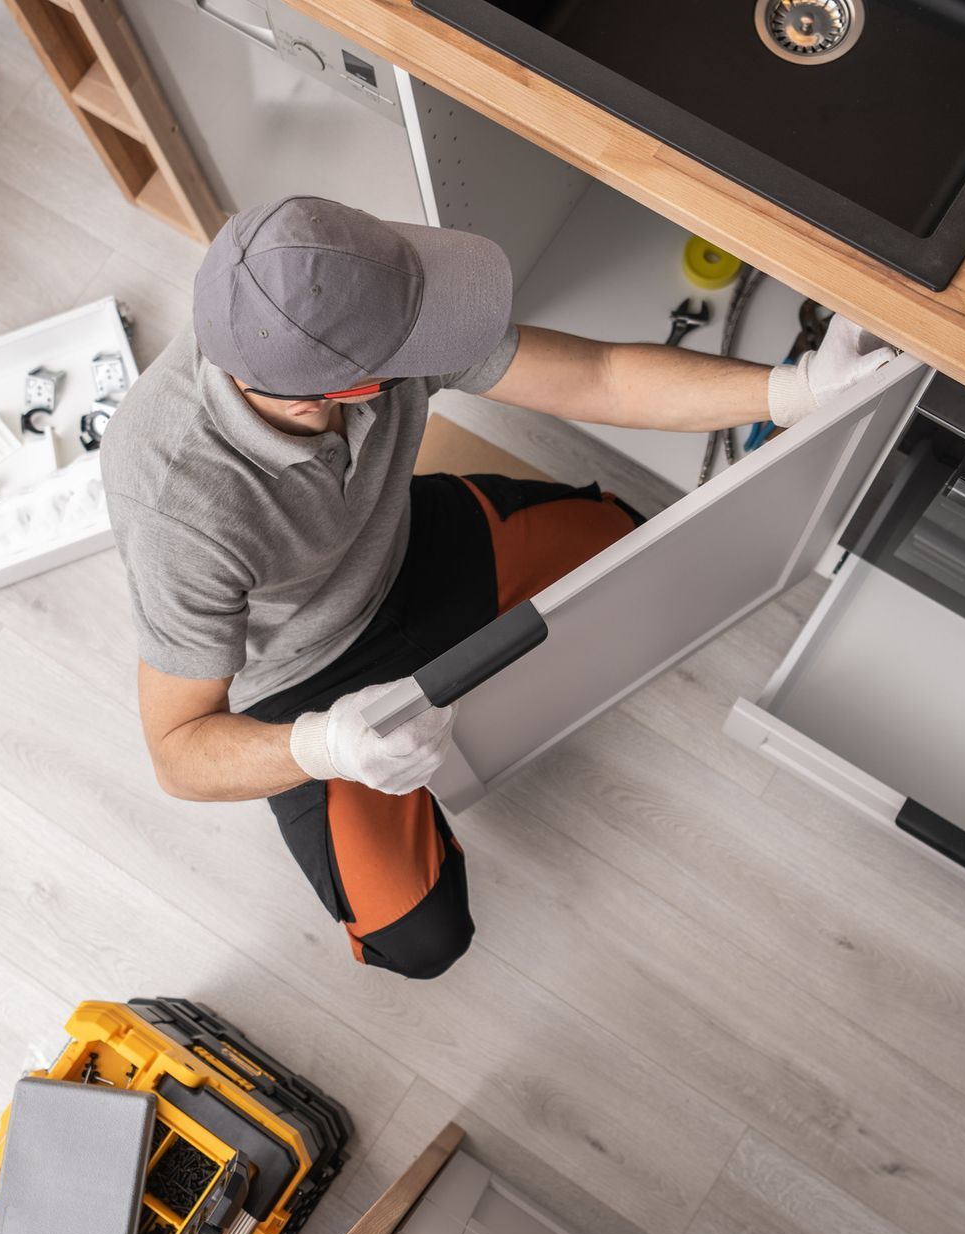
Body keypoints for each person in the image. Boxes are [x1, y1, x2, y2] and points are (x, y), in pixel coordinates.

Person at [101, 195, 893, 980]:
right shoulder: (177, 504)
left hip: (413, 549)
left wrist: (798, 392)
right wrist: (330, 744)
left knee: (623, 542)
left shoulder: (333, 294)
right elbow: (177, 755)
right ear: (335, 393)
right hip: (311, 682)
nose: (429, 342)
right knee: (419, 940)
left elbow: (602, 377)